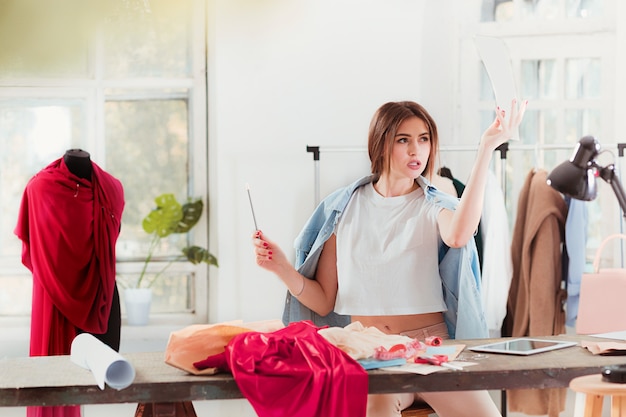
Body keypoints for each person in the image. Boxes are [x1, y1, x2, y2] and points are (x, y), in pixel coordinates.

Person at [252, 99, 526, 417]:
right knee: (376, 406)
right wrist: (282, 267)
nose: (416, 151)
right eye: (404, 140)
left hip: (431, 349)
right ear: (381, 143)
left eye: (424, 139)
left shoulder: (433, 204)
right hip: (369, 354)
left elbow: (459, 235)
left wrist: (486, 148)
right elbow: (324, 301)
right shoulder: (342, 209)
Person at [15, 148, 125, 417]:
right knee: (51, 388)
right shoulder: (40, 189)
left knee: (95, 384)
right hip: (54, 302)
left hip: (101, 298)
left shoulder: (111, 188)